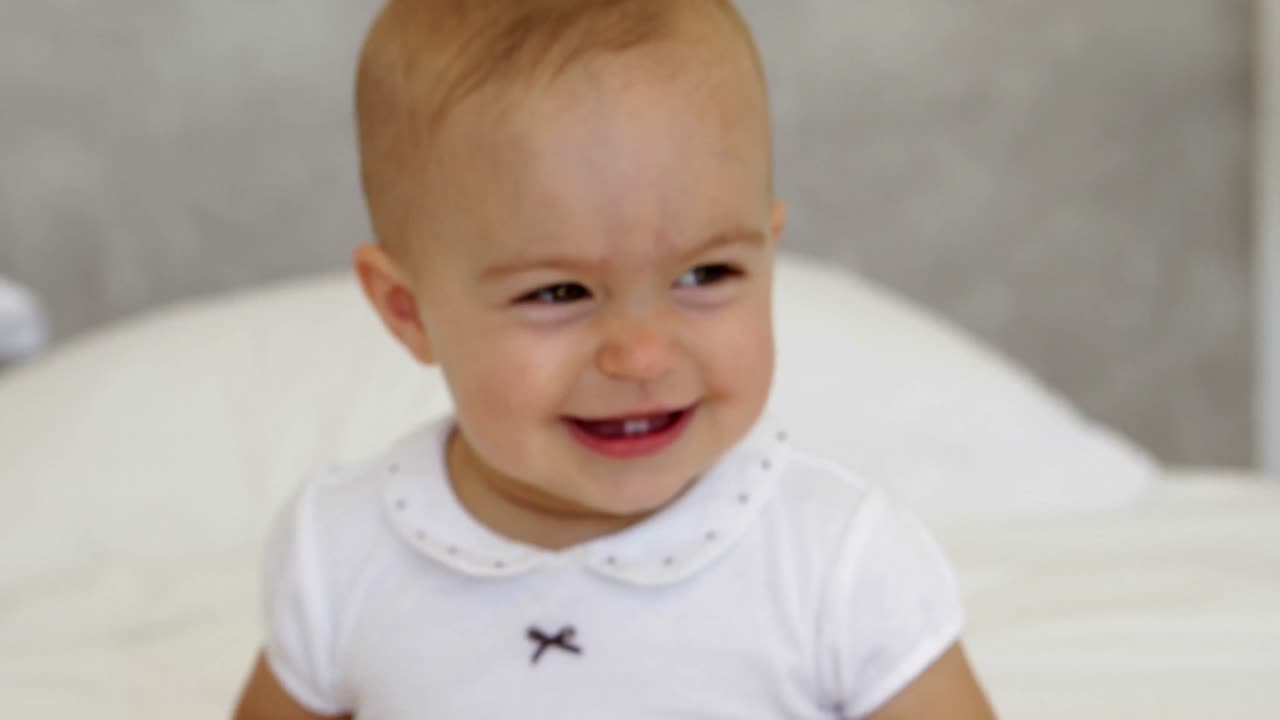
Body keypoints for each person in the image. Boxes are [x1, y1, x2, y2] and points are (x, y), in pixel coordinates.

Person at [234, 1, 996, 717]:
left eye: (706, 274)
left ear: (767, 255)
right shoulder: (340, 555)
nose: (641, 355)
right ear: (408, 312)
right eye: (558, 292)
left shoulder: (837, 561)